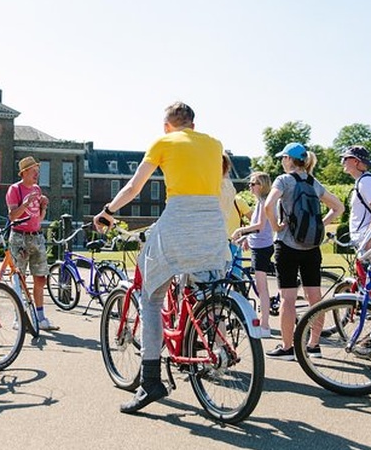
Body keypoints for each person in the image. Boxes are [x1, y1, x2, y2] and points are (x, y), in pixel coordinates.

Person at [94, 102, 225, 414]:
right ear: (193, 124)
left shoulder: (163, 142)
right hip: (212, 224)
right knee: (205, 287)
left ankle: (150, 381)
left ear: (167, 125)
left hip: (179, 219)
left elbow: (134, 187)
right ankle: (202, 341)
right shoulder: (215, 144)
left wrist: (108, 211)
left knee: (151, 298)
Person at [263, 142, 343, 360]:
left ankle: (288, 347)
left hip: (287, 246)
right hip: (312, 247)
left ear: (289, 159)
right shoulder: (312, 182)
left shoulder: (284, 180)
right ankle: (314, 345)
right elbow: (339, 207)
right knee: (315, 298)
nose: (281, 162)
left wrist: (277, 226)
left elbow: (268, 206)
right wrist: (320, 225)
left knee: (288, 298)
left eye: (283, 158)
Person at [6, 156, 58, 331]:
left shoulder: (36, 189)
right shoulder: (15, 189)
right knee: (18, 278)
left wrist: (43, 206)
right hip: (19, 237)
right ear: (24, 172)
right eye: (34, 170)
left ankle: (41, 317)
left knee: (40, 277)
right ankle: (19, 317)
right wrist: (26, 203)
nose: (37, 173)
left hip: (36, 236)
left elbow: (39, 218)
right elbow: (12, 216)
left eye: (37, 170)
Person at [231, 171, 276, 338]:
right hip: (259, 245)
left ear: (261, 185)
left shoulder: (264, 202)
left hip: (262, 248)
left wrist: (241, 230)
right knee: (260, 286)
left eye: (253, 184)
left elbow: (259, 225)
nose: (250, 187)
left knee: (262, 288)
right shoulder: (260, 202)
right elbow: (258, 228)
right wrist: (246, 237)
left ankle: (265, 326)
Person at [341, 145, 371, 250]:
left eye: (346, 158)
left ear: (356, 161)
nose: (343, 162)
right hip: (365, 242)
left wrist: (368, 240)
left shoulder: (367, 181)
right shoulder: (362, 181)